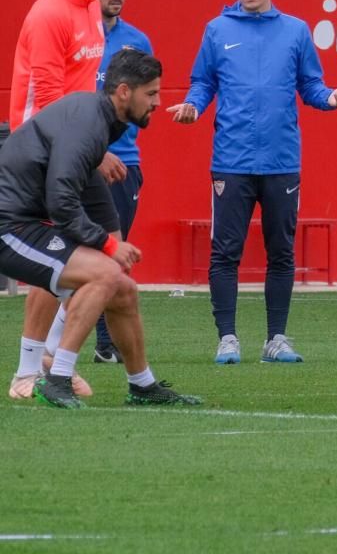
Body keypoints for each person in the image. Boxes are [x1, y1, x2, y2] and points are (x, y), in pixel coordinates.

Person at [167, 0, 337, 365]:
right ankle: (227, 339)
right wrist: (193, 107)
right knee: (225, 253)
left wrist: (330, 98)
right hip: (231, 162)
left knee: (281, 252)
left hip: (281, 162)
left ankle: (276, 340)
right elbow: (202, 83)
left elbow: (312, 86)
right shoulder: (217, 30)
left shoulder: (296, 31)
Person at [0, 48, 201, 408]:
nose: (157, 102)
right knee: (104, 272)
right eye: (151, 94)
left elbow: (83, 186)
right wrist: (108, 247)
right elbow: (61, 200)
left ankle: (142, 386)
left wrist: (110, 241)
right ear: (124, 92)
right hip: (9, 227)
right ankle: (56, 376)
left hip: (27, 221)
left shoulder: (99, 119)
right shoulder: (89, 124)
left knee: (122, 287)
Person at [7, 0, 116, 401]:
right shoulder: (48, 14)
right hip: (41, 155)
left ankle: (53, 356)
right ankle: (27, 370)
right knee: (58, 257)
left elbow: (83, 89)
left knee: (108, 252)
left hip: (75, 149)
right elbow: (48, 100)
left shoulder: (91, 6)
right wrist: (93, 149)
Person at [90, 0, 154, 365]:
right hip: (80, 161)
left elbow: (146, 100)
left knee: (113, 252)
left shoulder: (138, 41)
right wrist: (94, 149)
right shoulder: (77, 35)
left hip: (123, 164)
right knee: (76, 254)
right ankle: (49, 348)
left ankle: (104, 343)